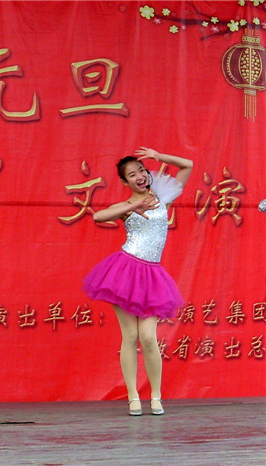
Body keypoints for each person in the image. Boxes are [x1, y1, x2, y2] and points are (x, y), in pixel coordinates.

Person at [83, 147, 192, 416]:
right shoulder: (126, 207)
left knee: (149, 337)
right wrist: (133, 206)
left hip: (152, 276)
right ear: (125, 182)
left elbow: (187, 165)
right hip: (125, 272)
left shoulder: (162, 199)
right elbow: (97, 216)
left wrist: (158, 156)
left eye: (141, 171)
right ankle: (133, 397)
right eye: (132, 175)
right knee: (130, 337)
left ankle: (155, 396)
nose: (139, 176)